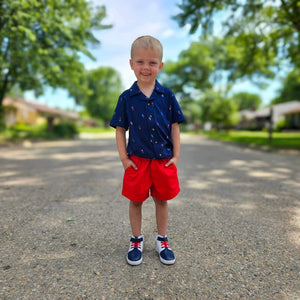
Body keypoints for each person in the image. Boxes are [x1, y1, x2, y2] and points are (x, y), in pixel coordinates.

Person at [110, 35, 186, 266]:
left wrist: (176, 155)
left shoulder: (168, 96)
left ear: (160, 66)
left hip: (163, 160)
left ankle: (162, 240)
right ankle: (136, 240)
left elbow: (175, 126)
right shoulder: (126, 97)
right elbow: (120, 129)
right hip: (137, 161)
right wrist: (124, 159)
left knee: (162, 200)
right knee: (136, 201)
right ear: (131, 63)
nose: (146, 67)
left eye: (152, 63)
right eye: (140, 62)